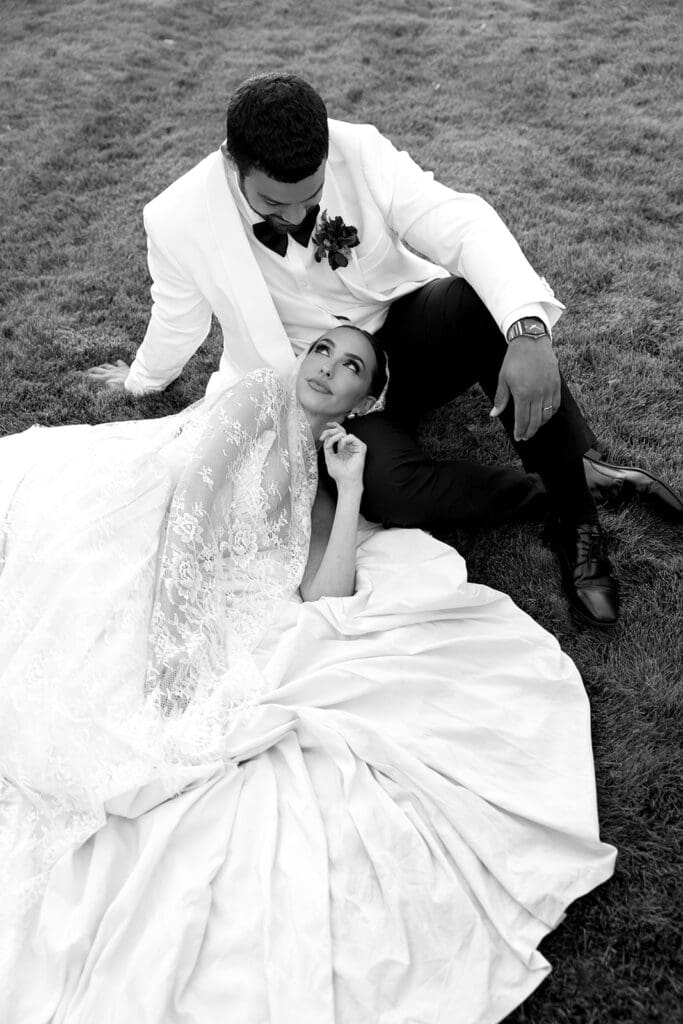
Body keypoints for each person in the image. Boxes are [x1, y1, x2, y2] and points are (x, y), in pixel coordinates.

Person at [0, 326, 615, 1023]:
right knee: (94, 705)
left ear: (364, 398)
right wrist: (173, 638)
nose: (326, 368)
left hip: (224, 591)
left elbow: (323, 592)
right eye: (321, 350)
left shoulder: (319, 468)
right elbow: (191, 513)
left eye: (349, 366)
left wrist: (350, 488)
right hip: (141, 541)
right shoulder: (258, 396)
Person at [87, 72, 682, 630]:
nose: (297, 215)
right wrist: (143, 380)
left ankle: (578, 519)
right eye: (274, 205)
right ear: (229, 161)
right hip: (323, 387)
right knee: (391, 492)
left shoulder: (360, 151)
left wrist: (527, 332)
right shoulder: (176, 219)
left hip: (404, 335)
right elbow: (177, 317)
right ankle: (567, 484)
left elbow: (462, 224)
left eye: (309, 197)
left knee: (478, 306)